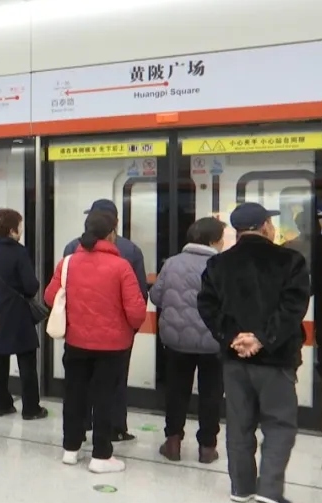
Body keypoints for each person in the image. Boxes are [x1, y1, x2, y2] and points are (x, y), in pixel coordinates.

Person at [197, 202, 310, 503]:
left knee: (239, 423)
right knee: (279, 423)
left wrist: (233, 337)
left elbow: (207, 306)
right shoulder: (291, 261)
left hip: (234, 361)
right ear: (265, 226)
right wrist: (262, 338)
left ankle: (241, 486)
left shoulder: (218, 264)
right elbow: (293, 307)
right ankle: (270, 489)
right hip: (276, 360)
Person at [45, 210, 147, 473]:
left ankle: (71, 448)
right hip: (112, 347)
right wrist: (126, 328)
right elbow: (136, 312)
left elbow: (49, 297)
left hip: (76, 342)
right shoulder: (121, 266)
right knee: (104, 398)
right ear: (112, 233)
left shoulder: (68, 263)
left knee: (74, 394)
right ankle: (101, 455)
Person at [63, 198, 147, 442]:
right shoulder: (130, 251)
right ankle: (114, 429)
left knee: (77, 383)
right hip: (115, 335)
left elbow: (59, 292)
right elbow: (140, 295)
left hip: (77, 332)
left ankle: (78, 431)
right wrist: (130, 329)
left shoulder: (72, 248)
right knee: (115, 383)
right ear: (115, 224)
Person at [150, 217, 226, 464]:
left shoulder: (172, 263)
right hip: (213, 342)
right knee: (211, 394)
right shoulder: (222, 265)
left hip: (177, 341)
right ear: (213, 240)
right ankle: (207, 448)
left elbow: (156, 296)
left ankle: (173, 443)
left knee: (176, 391)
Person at [0, 208, 46, 420]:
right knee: (27, 361)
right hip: (19, 314)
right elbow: (30, 286)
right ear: (12, 230)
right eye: (19, 226)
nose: (21, 230)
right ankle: (31, 408)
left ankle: (1, 404)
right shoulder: (19, 252)